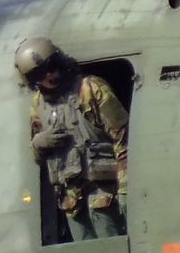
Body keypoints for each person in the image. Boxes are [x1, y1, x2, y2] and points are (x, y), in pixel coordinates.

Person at [15, 36, 129, 240]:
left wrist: (125, 189)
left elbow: (124, 138)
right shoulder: (38, 105)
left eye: (53, 66)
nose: (50, 75)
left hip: (104, 194)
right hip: (72, 202)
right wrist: (39, 144)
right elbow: (37, 157)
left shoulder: (90, 89)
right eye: (41, 73)